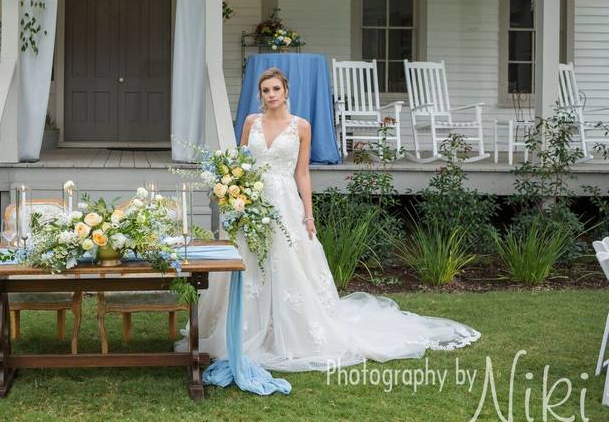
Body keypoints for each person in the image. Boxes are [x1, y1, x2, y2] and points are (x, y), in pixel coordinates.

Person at [189, 67, 481, 372]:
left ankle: (289, 333)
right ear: (260, 95)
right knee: (250, 264)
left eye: (276, 89)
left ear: (286, 91)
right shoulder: (251, 123)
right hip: (252, 202)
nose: (271, 95)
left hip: (286, 203)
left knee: (287, 263)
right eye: (265, 90)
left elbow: (302, 173)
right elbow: (241, 163)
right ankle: (245, 329)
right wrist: (236, 195)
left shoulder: (301, 126)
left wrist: (309, 214)